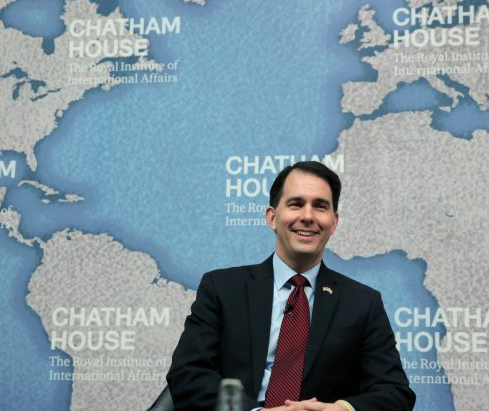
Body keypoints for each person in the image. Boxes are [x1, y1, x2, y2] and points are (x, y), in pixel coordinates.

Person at [167, 161, 415, 410]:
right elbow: (188, 374)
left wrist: (341, 409)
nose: (307, 217)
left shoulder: (363, 303)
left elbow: (394, 393)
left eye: (320, 206)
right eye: (296, 204)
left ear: (334, 222)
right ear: (272, 217)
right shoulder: (222, 288)